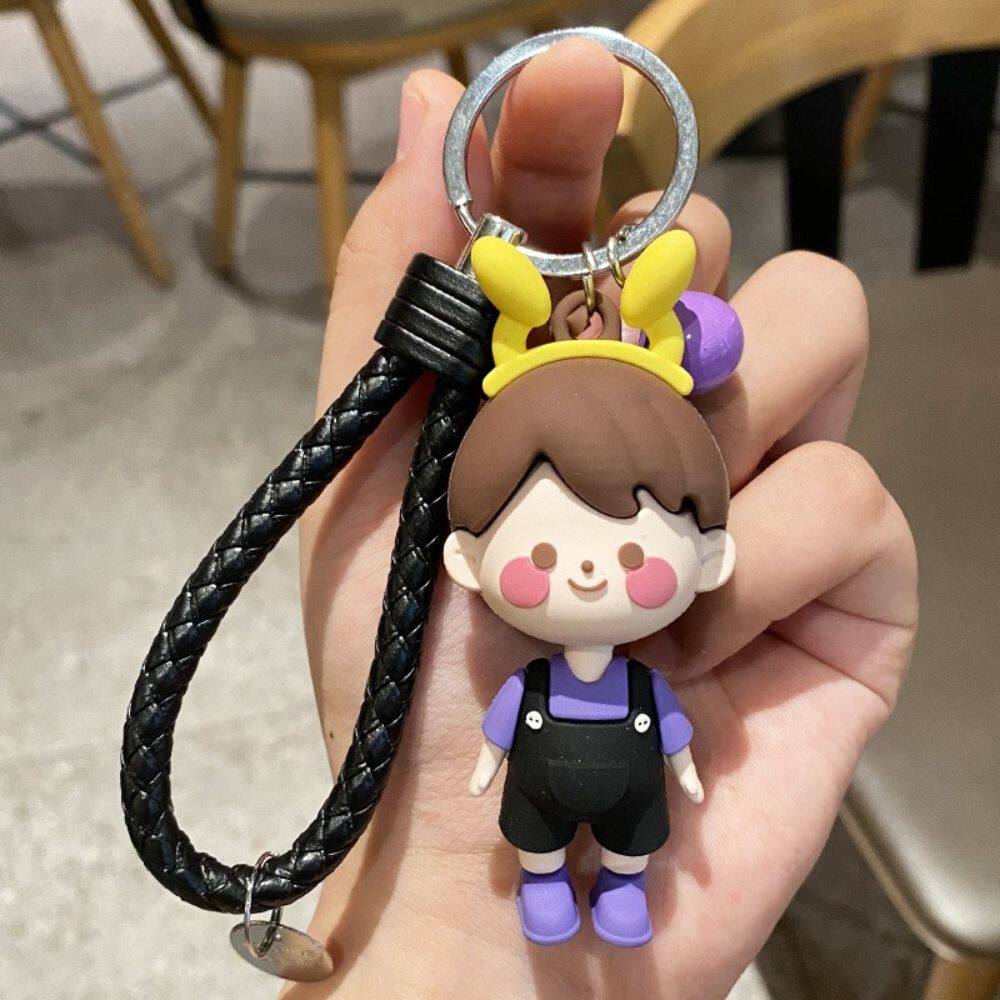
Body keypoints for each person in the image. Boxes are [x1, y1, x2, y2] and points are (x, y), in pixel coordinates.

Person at [292, 37, 917, 999]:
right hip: (534, 799)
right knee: (540, 844)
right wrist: (452, 856)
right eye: (545, 553)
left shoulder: (644, 683)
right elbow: (495, 740)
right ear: (463, 560)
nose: (587, 572)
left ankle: (622, 888)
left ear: (712, 560)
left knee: (632, 842)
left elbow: (674, 743)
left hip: (629, 793)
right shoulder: (529, 677)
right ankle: (547, 887)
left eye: (632, 554)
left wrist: (694, 773)